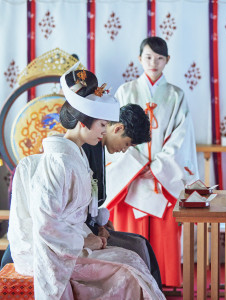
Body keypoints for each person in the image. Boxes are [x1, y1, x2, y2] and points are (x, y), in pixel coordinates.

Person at [7, 63, 165, 299]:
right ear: (83, 123)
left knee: (135, 258)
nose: (105, 131)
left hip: (75, 239)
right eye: (102, 125)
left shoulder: (78, 153)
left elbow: (74, 212)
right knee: (131, 269)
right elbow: (47, 225)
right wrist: (84, 239)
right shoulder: (59, 162)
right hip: (58, 250)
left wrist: (90, 231)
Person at [103, 36, 199, 287]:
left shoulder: (176, 95)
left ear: (167, 60)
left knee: (163, 235)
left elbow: (182, 137)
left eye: (159, 58)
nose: (153, 62)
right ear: (139, 59)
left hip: (162, 177)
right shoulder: (125, 91)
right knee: (127, 235)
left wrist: (157, 167)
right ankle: (129, 284)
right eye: (148, 57)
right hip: (130, 178)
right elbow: (115, 132)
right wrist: (136, 166)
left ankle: (164, 284)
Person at [82, 103, 162, 289]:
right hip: (80, 234)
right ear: (117, 128)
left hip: (91, 227)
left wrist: (100, 223)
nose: (125, 150)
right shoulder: (87, 147)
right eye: (127, 144)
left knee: (142, 244)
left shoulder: (97, 146)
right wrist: (95, 228)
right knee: (138, 248)